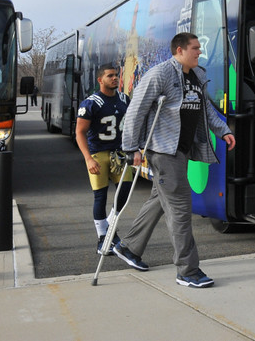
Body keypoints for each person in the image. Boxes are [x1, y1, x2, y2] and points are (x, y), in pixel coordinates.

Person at [112, 32, 237, 287]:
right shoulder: (160, 74)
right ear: (179, 50)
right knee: (180, 208)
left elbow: (205, 108)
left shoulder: (197, 75)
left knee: (160, 199)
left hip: (182, 151)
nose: (198, 52)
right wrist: (131, 148)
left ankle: (129, 247)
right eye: (195, 48)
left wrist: (223, 130)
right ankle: (187, 271)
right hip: (163, 151)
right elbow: (137, 109)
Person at [76, 63, 133, 253]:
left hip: (119, 153)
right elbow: (80, 132)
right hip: (98, 153)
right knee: (100, 196)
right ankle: (102, 238)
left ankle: (108, 227)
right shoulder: (91, 103)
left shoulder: (125, 99)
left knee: (124, 194)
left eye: (116, 75)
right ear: (100, 80)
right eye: (110, 75)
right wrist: (88, 159)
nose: (115, 78)